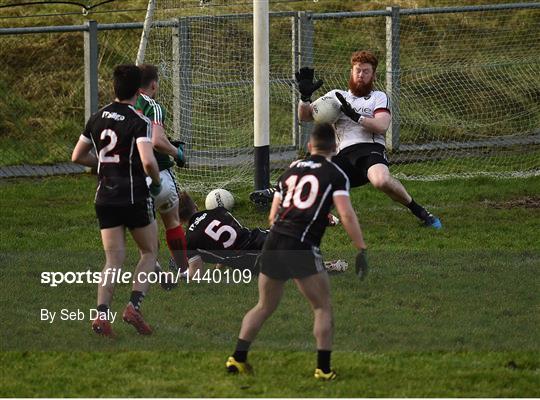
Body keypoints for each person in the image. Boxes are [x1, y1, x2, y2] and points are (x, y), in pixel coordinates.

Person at [226, 123, 368, 380]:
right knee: (322, 307)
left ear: (308, 146)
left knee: (264, 306)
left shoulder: (290, 171)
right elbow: (346, 214)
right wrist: (361, 248)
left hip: (274, 242)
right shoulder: (336, 174)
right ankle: (323, 370)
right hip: (300, 246)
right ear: (335, 147)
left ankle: (237, 357)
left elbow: (272, 216)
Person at [253, 50, 441, 229]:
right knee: (300, 165)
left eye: (366, 71)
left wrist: (355, 116)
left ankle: (423, 213)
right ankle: (278, 191)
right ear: (351, 72)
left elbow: (382, 125)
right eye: (357, 70)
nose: (361, 75)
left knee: (381, 181)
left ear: (373, 75)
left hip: (370, 150)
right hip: (342, 157)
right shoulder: (336, 96)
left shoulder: (378, 97)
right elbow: (305, 117)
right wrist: (305, 97)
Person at [71, 64, 162, 336]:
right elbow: (147, 161)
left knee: (113, 259)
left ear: (114, 87)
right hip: (133, 196)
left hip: (105, 196)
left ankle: (101, 315)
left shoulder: (96, 117)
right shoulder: (139, 121)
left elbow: (77, 156)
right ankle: (134, 306)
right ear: (138, 90)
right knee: (149, 252)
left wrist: (102, 166)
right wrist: (156, 182)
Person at [174, 192, 349, 278]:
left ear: (179, 220)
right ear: (196, 205)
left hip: (255, 258)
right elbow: (232, 236)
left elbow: (195, 273)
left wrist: (180, 274)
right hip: (261, 236)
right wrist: (222, 264)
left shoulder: (189, 240)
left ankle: (326, 266)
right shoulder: (219, 211)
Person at [135, 64, 189, 284]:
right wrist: (177, 153)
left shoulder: (121, 107)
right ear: (154, 84)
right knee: (172, 221)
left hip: (131, 178)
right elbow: (157, 141)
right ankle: (185, 270)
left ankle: (153, 266)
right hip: (159, 172)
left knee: (147, 225)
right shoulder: (152, 106)